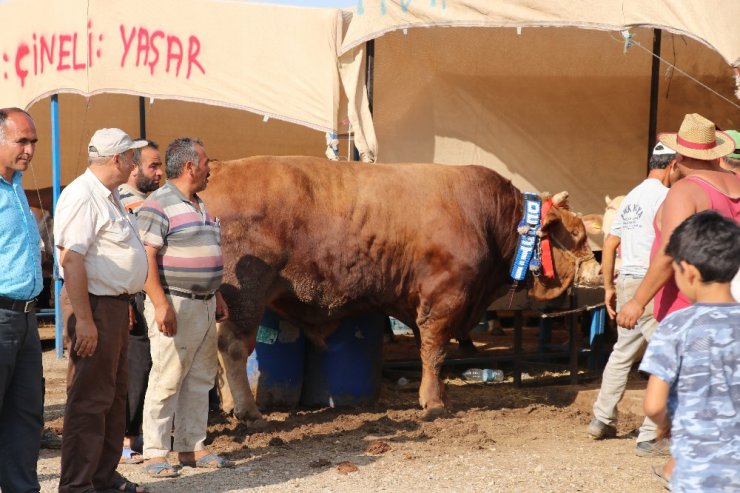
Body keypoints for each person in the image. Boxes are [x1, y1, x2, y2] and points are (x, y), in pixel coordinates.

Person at [55, 128, 149, 493]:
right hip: (93, 305)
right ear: (117, 159)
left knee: (111, 397)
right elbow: (72, 260)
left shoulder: (108, 195)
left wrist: (121, 299)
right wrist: (86, 321)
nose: (135, 163)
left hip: (112, 305)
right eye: (131, 156)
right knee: (90, 400)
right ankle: (78, 485)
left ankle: (102, 478)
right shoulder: (82, 195)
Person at [137, 138, 231, 478]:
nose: (210, 169)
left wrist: (216, 295)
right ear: (190, 166)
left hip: (204, 304)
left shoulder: (200, 204)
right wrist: (161, 304)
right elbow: (145, 258)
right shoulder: (157, 205)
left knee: (200, 378)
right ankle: (155, 453)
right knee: (167, 377)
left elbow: (207, 252)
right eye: (206, 163)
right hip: (175, 303)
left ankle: (192, 446)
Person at [588, 142, 679, 457]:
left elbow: (610, 243)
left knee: (623, 351)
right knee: (664, 355)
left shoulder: (630, 198)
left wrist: (608, 286)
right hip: (650, 283)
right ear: (672, 166)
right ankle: (651, 434)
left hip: (625, 278)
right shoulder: (668, 198)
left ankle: (601, 418)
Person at [640, 210, 740, 492]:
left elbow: (654, 405)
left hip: (697, 474)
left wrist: (667, 425)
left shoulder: (676, 325)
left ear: (690, 272)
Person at [617, 113, 740, 328]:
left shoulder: (686, 190)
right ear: (715, 154)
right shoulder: (735, 182)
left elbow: (671, 249)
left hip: (689, 312)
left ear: (680, 157)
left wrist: (638, 301)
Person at [0, 107, 43, 493]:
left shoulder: (14, 187)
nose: (29, 149)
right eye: (21, 141)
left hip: (27, 320)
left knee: (25, 417)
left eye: (33, 142)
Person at [117, 140, 163, 464]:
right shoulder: (120, 202)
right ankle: (122, 438)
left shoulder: (150, 202)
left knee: (145, 366)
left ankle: (134, 434)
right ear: (134, 168)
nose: (159, 173)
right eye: (153, 166)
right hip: (128, 297)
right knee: (132, 368)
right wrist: (126, 302)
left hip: (142, 295)